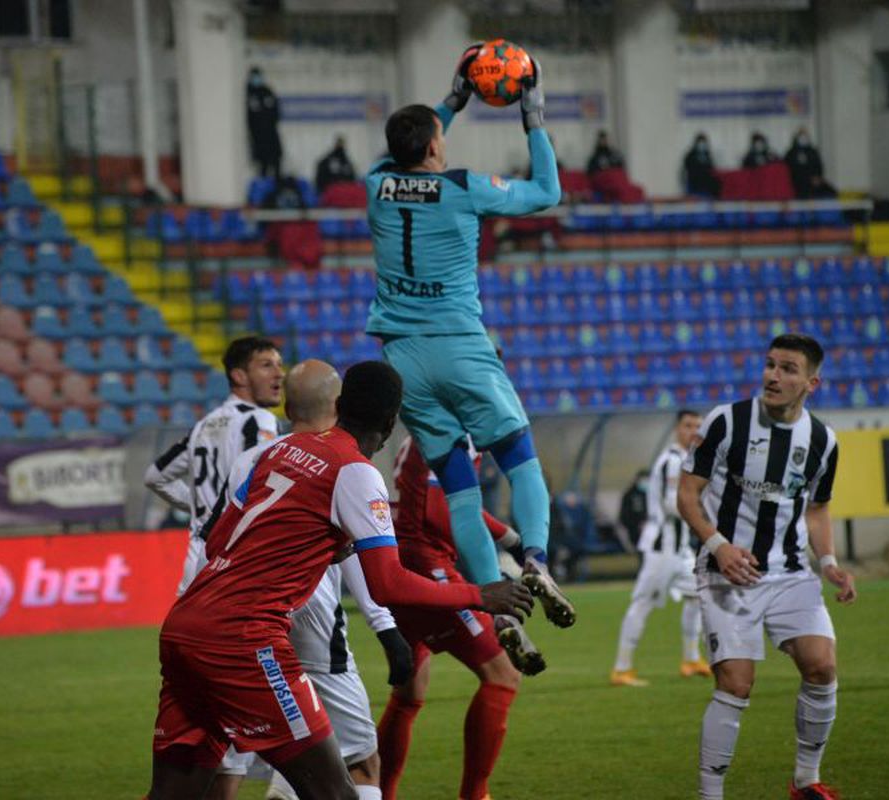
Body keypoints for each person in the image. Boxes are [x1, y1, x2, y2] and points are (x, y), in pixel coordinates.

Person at [144, 361, 533, 800]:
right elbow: (388, 584)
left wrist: (315, 546)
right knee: (336, 791)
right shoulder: (356, 471)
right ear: (390, 423)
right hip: (244, 639)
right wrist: (479, 594)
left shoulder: (281, 450)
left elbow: (216, 540)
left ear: (341, 405)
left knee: (176, 794)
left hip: (185, 625)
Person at [364, 45, 574, 630]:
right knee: (519, 459)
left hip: (402, 356)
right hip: (458, 342)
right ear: (435, 147)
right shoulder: (463, 187)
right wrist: (531, 114)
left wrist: (451, 101)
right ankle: (533, 558)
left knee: (458, 486)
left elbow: (404, 150)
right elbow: (547, 192)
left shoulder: (375, 185)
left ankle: (493, 604)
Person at [211, 360, 411, 800]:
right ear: (336, 405)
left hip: (232, 622)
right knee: (359, 762)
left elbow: (219, 537)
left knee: (264, 759)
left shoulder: (262, 455)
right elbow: (368, 564)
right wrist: (386, 627)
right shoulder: (347, 466)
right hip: (309, 622)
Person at [677, 334, 856, 800]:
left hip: (792, 572)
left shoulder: (822, 440)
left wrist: (831, 562)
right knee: (736, 682)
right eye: (770, 364)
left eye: (788, 369)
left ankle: (805, 781)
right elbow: (687, 494)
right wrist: (719, 546)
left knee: (822, 666)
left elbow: (817, 509)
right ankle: (710, 795)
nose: (774, 376)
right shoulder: (726, 421)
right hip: (726, 572)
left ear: (811, 382)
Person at [377, 434, 540, 800]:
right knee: (503, 674)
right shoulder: (453, 434)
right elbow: (439, 511)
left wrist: (508, 536)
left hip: (400, 563)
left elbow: (454, 502)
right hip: (427, 567)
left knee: (407, 693)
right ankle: (475, 795)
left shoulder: (423, 430)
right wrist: (489, 554)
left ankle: (380, 793)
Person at [144, 336, 283, 595]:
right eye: (267, 365)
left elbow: (155, 476)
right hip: (236, 559)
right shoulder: (260, 419)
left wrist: (199, 506)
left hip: (196, 562)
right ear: (239, 376)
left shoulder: (204, 425)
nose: (279, 374)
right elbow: (260, 483)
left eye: (278, 365)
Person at [610, 409, 711, 687]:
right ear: (677, 429)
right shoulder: (672, 461)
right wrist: (704, 507)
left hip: (680, 549)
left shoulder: (689, 460)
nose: (693, 431)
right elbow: (672, 504)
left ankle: (691, 659)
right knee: (642, 604)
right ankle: (622, 668)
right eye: (688, 425)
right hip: (661, 548)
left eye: (698, 427)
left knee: (699, 595)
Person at [247, 67, 283, 178]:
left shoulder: (267, 92)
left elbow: (276, 112)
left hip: (271, 135)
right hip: (258, 137)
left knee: (276, 161)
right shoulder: (248, 93)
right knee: (262, 166)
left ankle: (276, 187)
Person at [785, 129, 836, 200]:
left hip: (813, 183)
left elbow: (819, 166)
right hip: (797, 184)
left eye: (805, 136)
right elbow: (788, 170)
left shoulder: (813, 151)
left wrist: (818, 177)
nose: (803, 138)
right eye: (801, 135)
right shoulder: (791, 153)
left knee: (831, 192)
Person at [618, 469, 649, 550]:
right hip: (635, 532)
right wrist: (637, 526)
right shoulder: (630, 495)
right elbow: (624, 517)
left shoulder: (652, 494)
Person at [683, 133, 721, 198]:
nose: (702, 145)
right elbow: (689, 169)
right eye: (700, 142)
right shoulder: (690, 155)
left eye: (704, 142)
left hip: (706, 185)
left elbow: (711, 168)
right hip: (694, 183)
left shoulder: (707, 155)